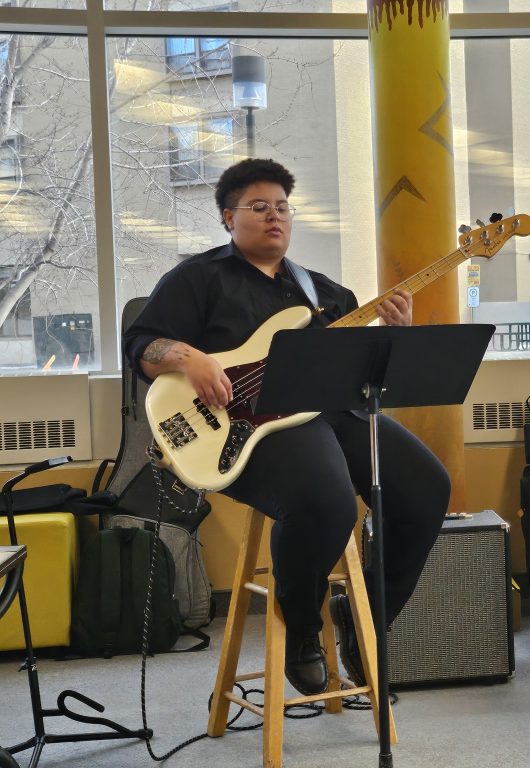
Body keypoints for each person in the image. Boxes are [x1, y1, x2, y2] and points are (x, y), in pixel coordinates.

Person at [124, 158, 450, 695]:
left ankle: (364, 615)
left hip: (331, 414)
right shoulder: (198, 278)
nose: (274, 216)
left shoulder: (319, 292)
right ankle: (302, 626)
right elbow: (142, 346)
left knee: (427, 488)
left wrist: (397, 335)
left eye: (281, 207)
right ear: (228, 218)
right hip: (241, 432)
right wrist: (190, 358)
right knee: (329, 503)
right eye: (258, 207)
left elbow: (370, 376)